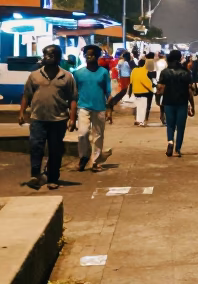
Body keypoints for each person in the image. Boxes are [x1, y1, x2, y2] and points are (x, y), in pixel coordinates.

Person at [17, 45, 77, 190]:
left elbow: (73, 99)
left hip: (58, 120)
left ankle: (52, 178)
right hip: (38, 119)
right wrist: (22, 112)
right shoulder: (34, 76)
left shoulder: (67, 77)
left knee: (55, 150)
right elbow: (26, 95)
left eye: (51, 55)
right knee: (36, 147)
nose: (47, 57)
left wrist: (72, 118)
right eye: (45, 55)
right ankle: (35, 175)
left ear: (58, 57)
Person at [72, 44, 121, 172]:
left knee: (98, 136)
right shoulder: (77, 73)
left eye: (93, 55)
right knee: (82, 133)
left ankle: (95, 161)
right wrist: (71, 114)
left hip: (100, 107)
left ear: (98, 56)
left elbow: (108, 92)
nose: (90, 57)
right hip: (83, 107)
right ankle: (83, 157)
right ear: (84, 56)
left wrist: (109, 110)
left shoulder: (103, 73)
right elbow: (74, 94)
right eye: (88, 55)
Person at [157, 49, 197, 157]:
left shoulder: (165, 72)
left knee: (170, 125)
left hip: (168, 102)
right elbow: (190, 91)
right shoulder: (186, 72)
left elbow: (160, 89)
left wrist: (160, 104)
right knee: (180, 127)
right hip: (182, 103)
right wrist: (192, 106)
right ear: (180, 58)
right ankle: (177, 149)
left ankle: (170, 141)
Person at [130, 54, 156, 126]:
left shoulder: (134, 70)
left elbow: (131, 81)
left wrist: (130, 91)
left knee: (138, 106)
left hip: (136, 91)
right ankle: (141, 121)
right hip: (144, 91)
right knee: (143, 107)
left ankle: (138, 120)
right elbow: (145, 81)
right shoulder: (145, 71)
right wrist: (151, 89)